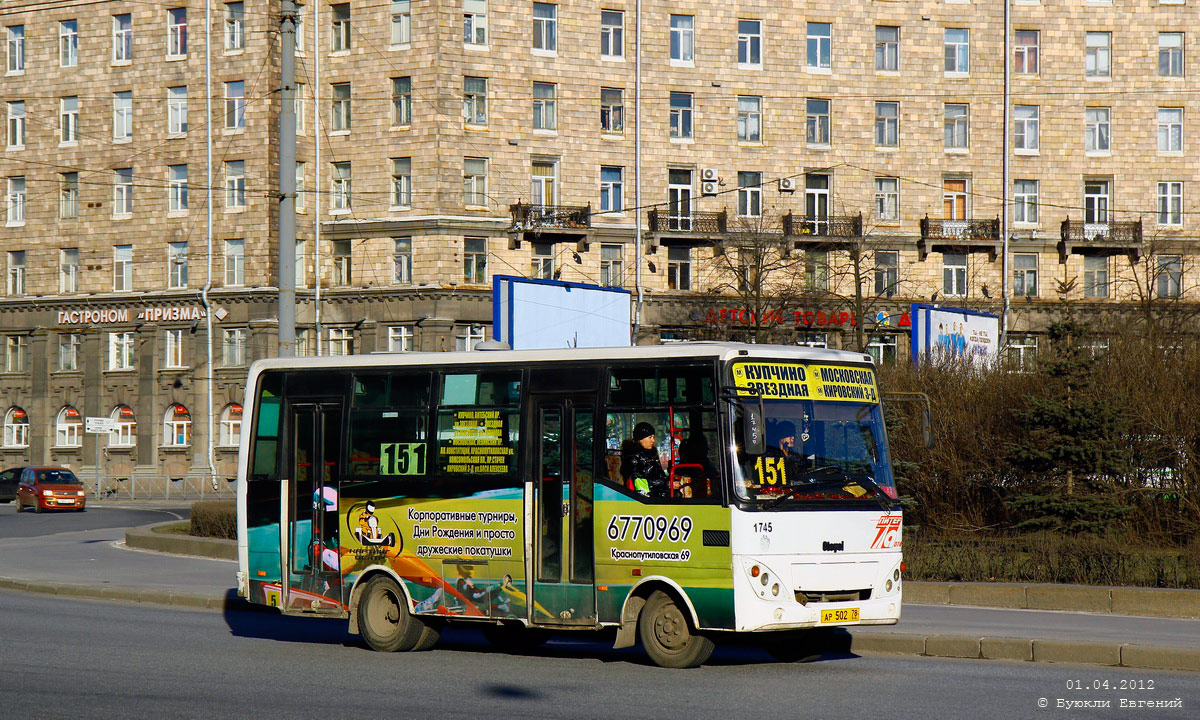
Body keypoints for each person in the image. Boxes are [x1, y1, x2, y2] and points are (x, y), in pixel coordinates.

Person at [620, 421, 668, 498]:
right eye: (650, 437)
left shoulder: (652, 452)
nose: (653, 440)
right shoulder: (632, 456)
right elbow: (640, 481)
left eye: (653, 437)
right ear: (640, 439)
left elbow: (659, 473)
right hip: (641, 497)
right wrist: (666, 483)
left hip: (655, 491)